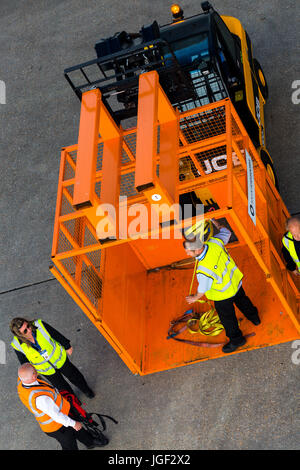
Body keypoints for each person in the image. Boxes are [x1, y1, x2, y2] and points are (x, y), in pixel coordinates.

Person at [184, 218, 261, 353]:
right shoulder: (214, 242)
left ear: (197, 251)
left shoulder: (203, 269)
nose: (186, 253)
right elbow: (226, 232)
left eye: (188, 251)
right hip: (235, 283)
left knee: (228, 319)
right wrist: (214, 221)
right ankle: (254, 317)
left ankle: (237, 340)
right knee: (243, 301)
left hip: (222, 295)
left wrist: (194, 298)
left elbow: (204, 288)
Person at [17, 363, 108, 450]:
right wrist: (73, 424)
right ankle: (89, 441)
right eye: (35, 371)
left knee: (78, 429)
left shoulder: (22, 381)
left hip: (63, 414)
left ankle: (90, 442)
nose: (37, 371)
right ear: (33, 376)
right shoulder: (41, 398)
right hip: (57, 426)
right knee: (69, 445)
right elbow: (56, 416)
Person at [10, 317, 95, 398]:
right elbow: (24, 362)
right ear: (20, 335)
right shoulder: (17, 345)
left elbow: (55, 334)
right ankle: (74, 402)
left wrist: (67, 345)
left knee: (75, 376)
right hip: (46, 370)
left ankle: (86, 390)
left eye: (28, 325)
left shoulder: (39, 325)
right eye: (25, 331)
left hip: (59, 359)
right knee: (62, 387)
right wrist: (32, 373)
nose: (29, 329)